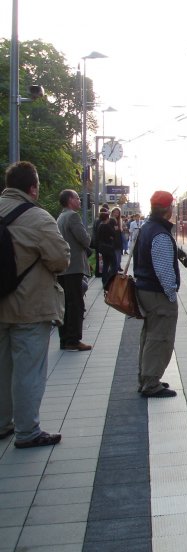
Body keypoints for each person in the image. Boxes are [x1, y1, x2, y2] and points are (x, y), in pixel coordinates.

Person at [0, 161, 69, 448]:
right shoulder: (38, 218)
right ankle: (27, 431)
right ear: (33, 188)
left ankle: (3, 424)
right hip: (29, 307)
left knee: (2, 369)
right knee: (28, 371)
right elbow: (60, 260)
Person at [134, 191, 179, 398]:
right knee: (160, 338)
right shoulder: (160, 234)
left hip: (145, 289)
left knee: (149, 335)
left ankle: (146, 378)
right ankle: (151, 383)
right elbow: (163, 270)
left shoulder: (146, 228)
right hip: (157, 293)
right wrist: (171, 293)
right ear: (168, 209)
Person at [56, 190, 92, 352]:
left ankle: (64, 339)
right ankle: (74, 339)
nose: (80, 201)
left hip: (63, 268)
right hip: (74, 268)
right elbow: (85, 240)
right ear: (70, 200)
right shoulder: (73, 217)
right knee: (76, 304)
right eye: (77, 198)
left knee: (65, 305)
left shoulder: (60, 217)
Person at [95, 208, 117, 289]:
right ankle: (112, 281)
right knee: (114, 265)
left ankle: (104, 282)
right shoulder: (107, 226)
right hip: (109, 248)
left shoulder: (100, 226)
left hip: (102, 248)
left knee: (105, 265)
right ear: (107, 218)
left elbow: (98, 237)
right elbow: (113, 234)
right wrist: (111, 236)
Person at [91, 203, 109, 277]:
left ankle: (98, 272)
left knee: (98, 257)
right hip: (100, 242)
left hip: (96, 241)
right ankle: (100, 272)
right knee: (101, 258)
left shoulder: (96, 220)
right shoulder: (101, 221)